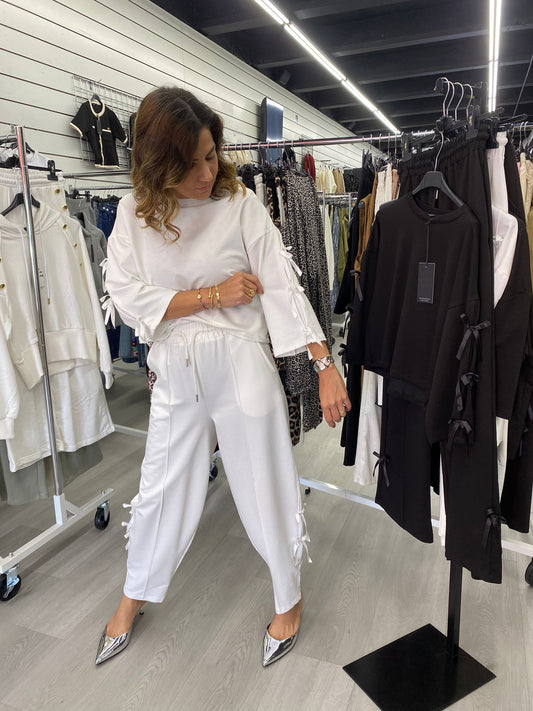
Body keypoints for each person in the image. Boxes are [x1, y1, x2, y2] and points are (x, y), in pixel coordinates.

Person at [96, 86, 351, 667]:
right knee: (161, 485)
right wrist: (212, 295)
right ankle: (135, 592)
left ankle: (288, 595)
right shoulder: (135, 217)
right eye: (190, 165)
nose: (207, 173)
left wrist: (323, 363)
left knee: (266, 483)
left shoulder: (240, 203)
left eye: (211, 155)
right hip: (176, 373)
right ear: (159, 166)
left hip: (242, 367)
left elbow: (281, 283)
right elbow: (126, 295)